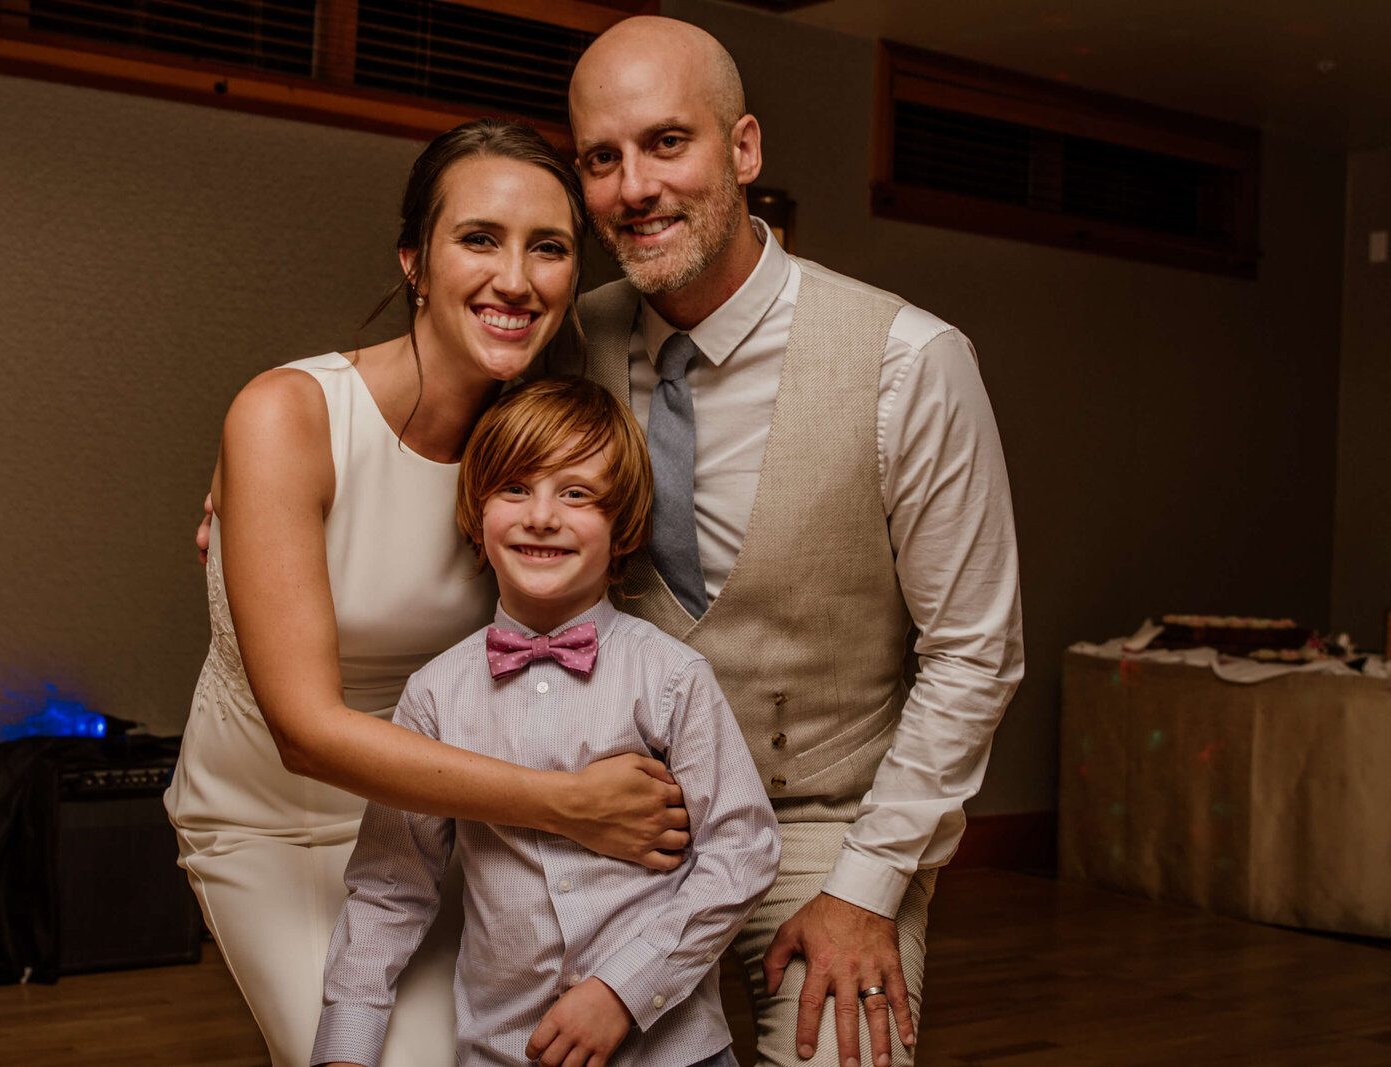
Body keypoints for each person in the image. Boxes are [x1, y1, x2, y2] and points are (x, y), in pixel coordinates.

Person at [164, 119, 692, 1067]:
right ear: (414, 259)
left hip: (453, 826)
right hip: (280, 821)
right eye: (479, 239)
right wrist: (568, 803)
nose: (517, 279)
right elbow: (305, 730)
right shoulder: (288, 416)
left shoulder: (539, 447)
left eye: (550, 249)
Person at [552, 17, 1025, 1067]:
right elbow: (427, 390)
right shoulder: (567, 338)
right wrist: (284, 429)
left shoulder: (911, 361)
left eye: (667, 142)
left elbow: (973, 651)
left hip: (829, 818)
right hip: (623, 810)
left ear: (744, 149)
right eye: (601, 158)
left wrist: (867, 887)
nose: (634, 186)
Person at [312, 376, 781, 1067]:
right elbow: (391, 885)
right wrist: (345, 1047)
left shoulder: (674, 678)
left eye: (577, 493)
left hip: (672, 1048)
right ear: (475, 513)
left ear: (624, 527)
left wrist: (624, 990)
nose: (541, 516)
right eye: (514, 488)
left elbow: (742, 852)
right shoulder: (434, 696)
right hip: (507, 1049)